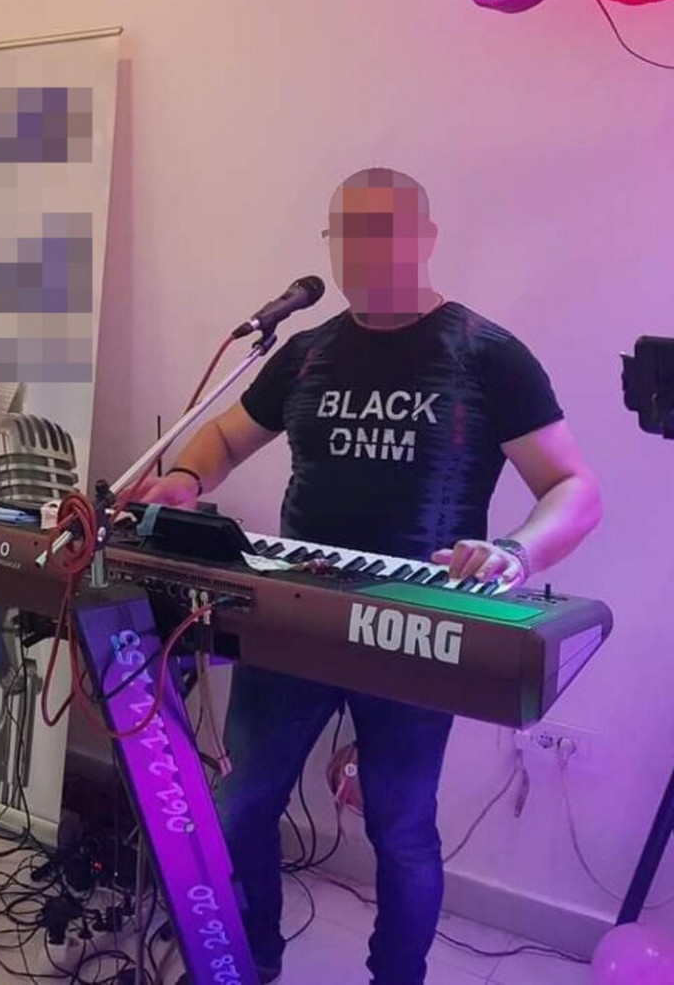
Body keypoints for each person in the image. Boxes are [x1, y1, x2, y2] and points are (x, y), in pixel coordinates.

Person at [134, 168, 602, 985]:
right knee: (242, 802)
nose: (364, 250)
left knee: (402, 829)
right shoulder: (307, 351)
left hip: (417, 627)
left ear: (426, 237)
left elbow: (574, 487)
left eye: (384, 230)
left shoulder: (485, 353)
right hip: (294, 614)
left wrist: (516, 551)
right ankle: (253, 958)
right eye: (347, 233)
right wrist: (184, 477)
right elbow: (226, 438)